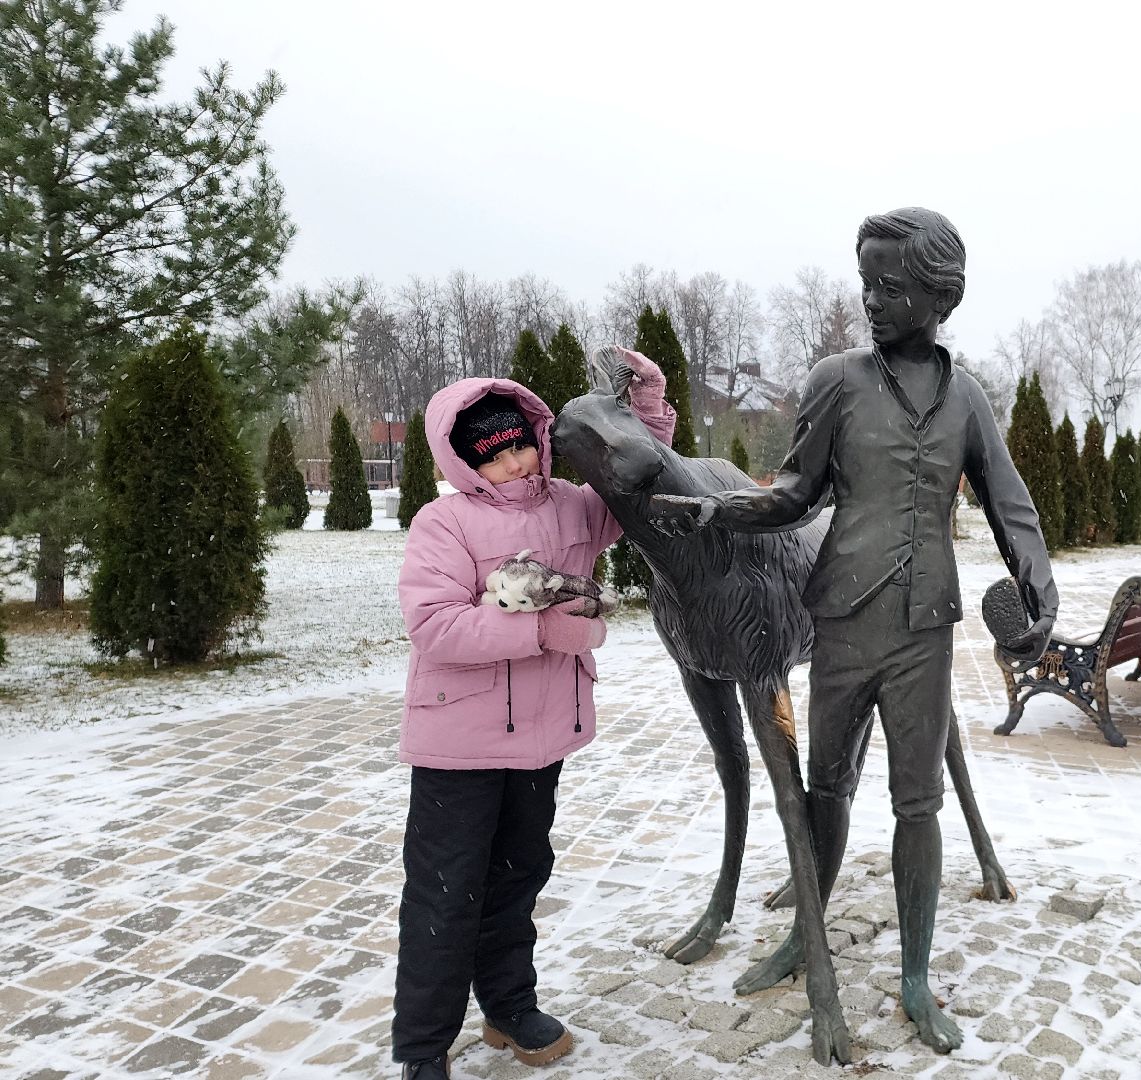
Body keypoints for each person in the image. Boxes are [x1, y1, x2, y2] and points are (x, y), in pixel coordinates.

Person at [650, 207, 1056, 1053]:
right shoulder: (838, 380)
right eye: (865, 280)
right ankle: (806, 934)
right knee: (827, 788)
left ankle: (915, 977)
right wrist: (717, 512)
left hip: (925, 629)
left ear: (938, 294)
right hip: (840, 618)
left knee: (919, 803)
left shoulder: (968, 396)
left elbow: (1007, 498)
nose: (872, 298)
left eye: (891, 284)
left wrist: (1037, 577)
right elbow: (797, 492)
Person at [391, 378, 628, 1079]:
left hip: (542, 736)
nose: (518, 463)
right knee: (445, 892)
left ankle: (507, 1005)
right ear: (465, 463)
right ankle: (423, 1048)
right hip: (458, 746)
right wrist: (548, 629)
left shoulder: (576, 507)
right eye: (496, 456)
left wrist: (646, 408)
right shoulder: (446, 523)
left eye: (522, 444)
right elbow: (434, 628)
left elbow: (637, 478)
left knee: (519, 875)